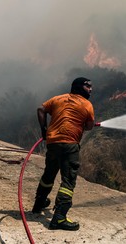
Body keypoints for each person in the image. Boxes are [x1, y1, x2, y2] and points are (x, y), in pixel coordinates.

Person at [31, 77, 98, 231]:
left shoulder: (57, 98)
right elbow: (89, 127)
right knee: (68, 181)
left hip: (53, 143)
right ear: (78, 87)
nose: (91, 89)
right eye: (88, 86)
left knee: (49, 174)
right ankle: (59, 218)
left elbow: (41, 110)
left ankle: (39, 203)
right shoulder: (87, 105)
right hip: (70, 145)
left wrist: (44, 129)